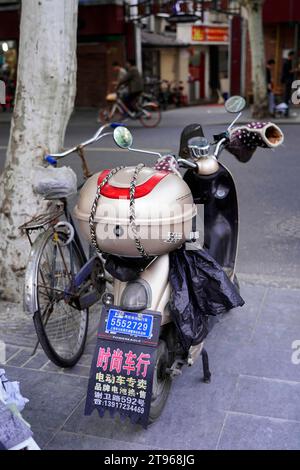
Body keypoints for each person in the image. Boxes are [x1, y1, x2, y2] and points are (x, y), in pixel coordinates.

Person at [281, 50, 296, 117]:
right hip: (288, 81)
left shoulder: (287, 62)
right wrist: (295, 70)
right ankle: (285, 113)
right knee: (287, 97)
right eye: (292, 56)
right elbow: (288, 71)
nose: (293, 57)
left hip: (287, 81)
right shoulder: (287, 62)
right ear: (290, 56)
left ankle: (286, 112)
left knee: (287, 97)